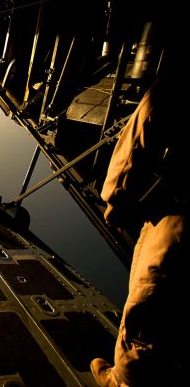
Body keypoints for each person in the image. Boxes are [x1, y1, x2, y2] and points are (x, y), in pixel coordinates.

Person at [90, 64, 189, 385]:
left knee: (152, 300)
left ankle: (124, 379)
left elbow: (150, 117)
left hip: (180, 213)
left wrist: (118, 194)